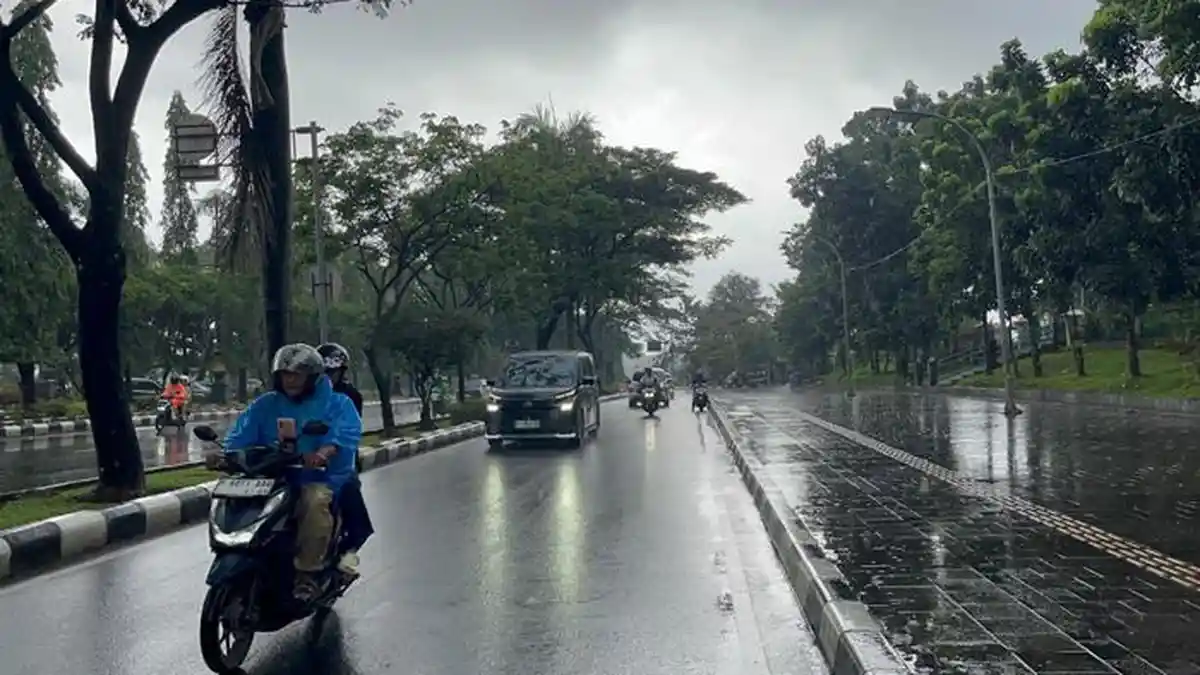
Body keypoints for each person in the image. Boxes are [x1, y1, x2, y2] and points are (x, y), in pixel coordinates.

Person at [217, 343, 361, 601]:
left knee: (314, 502)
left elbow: (344, 434)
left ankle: (307, 574)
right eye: (285, 374)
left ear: (313, 377)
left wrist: (324, 453)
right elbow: (240, 434)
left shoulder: (338, 403)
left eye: (296, 375)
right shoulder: (266, 404)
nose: (290, 380)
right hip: (272, 475)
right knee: (232, 493)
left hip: (319, 477)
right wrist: (225, 455)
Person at [317, 342, 374, 576]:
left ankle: (345, 559)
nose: (328, 378)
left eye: (333, 372)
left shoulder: (349, 397)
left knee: (359, 525)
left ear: (342, 372)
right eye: (323, 373)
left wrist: (328, 448)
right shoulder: (303, 396)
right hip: (302, 465)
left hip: (340, 464)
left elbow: (347, 430)